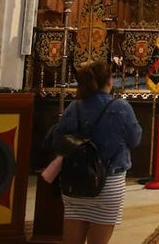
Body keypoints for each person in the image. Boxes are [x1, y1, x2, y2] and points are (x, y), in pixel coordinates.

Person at [46, 60, 142, 244]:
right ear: (109, 81)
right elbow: (135, 139)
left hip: (75, 180)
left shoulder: (75, 106)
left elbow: (57, 139)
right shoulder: (120, 107)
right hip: (108, 182)